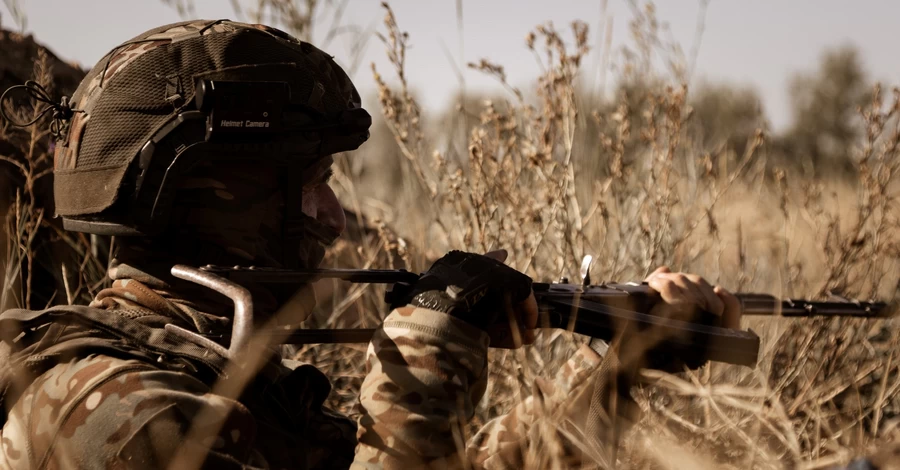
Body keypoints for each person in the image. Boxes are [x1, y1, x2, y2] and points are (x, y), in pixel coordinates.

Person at [0, 20, 742, 469]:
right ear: (210, 199)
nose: (333, 218)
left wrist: (623, 366)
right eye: (311, 185)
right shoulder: (115, 409)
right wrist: (421, 364)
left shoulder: (221, 372)